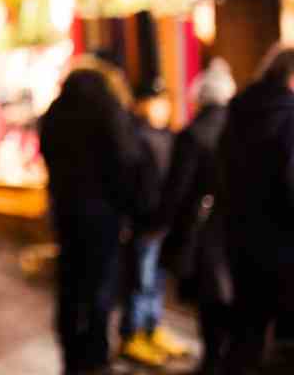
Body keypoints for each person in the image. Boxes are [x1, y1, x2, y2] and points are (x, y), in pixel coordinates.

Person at [38, 56, 154, 375]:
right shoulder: (108, 109)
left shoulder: (55, 112)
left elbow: (47, 155)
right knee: (100, 282)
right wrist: (131, 206)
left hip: (65, 210)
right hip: (104, 213)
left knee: (71, 279)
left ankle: (71, 349)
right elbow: (126, 159)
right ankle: (96, 351)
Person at [153, 57, 235, 374]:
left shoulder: (193, 135)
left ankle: (213, 359)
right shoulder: (240, 128)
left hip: (202, 228)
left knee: (209, 300)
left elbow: (178, 189)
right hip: (237, 226)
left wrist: (162, 223)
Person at [218, 44, 294, 374]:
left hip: (241, 235)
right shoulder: (290, 117)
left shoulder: (237, 112)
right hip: (285, 239)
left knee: (247, 327)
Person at [119, 77, 190, 366]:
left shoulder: (170, 136)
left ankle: (152, 328)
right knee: (140, 280)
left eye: (164, 102)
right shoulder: (132, 137)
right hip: (143, 223)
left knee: (156, 280)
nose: (161, 107)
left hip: (163, 222)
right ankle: (132, 334)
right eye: (155, 101)